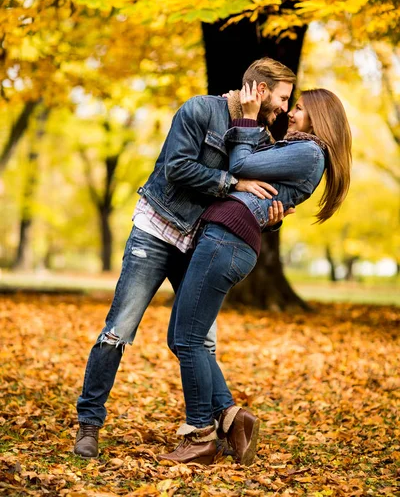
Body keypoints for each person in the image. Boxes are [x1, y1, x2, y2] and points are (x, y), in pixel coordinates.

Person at [74, 57, 297, 458]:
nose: (284, 107)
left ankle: (226, 420)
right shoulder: (199, 110)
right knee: (118, 331)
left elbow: (255, 199)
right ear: (260, 90)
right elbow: (177, 168)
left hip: (199, 241)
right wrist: (233, 181)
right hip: (158, 229)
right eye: (282, 98)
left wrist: (273, 217)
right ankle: (88, 425)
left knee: (200, 340)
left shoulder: (259, 138)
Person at [161, 86, 352, 466]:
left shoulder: (310, 152)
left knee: (188, 338)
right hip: (225, 238)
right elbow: (257, 185)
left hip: (227, 241)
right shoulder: (297, 149)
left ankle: (200, 435)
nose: (290, 114)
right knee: (181, 336)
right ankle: (233, 418)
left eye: (297, 108)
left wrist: (247, 118)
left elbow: (239, 167)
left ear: (319, 116)